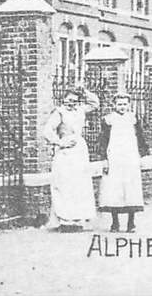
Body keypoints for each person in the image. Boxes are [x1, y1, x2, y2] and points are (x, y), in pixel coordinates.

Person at [43, 85, 100, 231]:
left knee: (79, 184)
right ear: (63, 99)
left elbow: (95, 103)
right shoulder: (59, 112)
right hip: (65, 152)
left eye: (75, 100)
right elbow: (47, 131)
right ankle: (65, 220)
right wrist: (60, 142)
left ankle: (78, 219)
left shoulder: (80, 110)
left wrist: (84, 91)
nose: (71, 103)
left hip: (79, 151)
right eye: (69, 100)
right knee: (64, 183)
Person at [98, 92, 148, 233]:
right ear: (114, 105)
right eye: (119, 104)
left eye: (125, 104)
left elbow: (140, 137)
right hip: (114, 158)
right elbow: (103, 141)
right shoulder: (108, 120)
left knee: (130, 189)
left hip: (130, 158)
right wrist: (104, 159)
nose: (122, 107)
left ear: (129, 105)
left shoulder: (133, 119)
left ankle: (131, 223)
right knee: (114, 189)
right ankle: (115, 223)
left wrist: (141, 156)